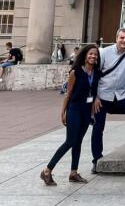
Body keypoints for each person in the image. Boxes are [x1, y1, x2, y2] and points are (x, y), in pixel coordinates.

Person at [40, 44, 100, 186]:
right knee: (70, 141)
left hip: (86, 110)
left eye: (96, 55)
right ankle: (47, 170)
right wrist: (63, 112)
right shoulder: (76, 72)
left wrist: (92, 110)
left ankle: (73, 172)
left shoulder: (96, 72)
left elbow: (95, 91)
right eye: (91, 54)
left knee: (78, 141)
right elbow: (68, 94)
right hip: (74, 108)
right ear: (85, 55)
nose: (93, 56)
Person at [91, 28, 125, 170]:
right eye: (122, 38)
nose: (124, 41)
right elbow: (94, 75)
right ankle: (96, 158)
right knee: (98, 127)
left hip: (122, 94)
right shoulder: (104, 52)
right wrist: (95, 97)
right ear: (116, 38)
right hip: (103, 95)